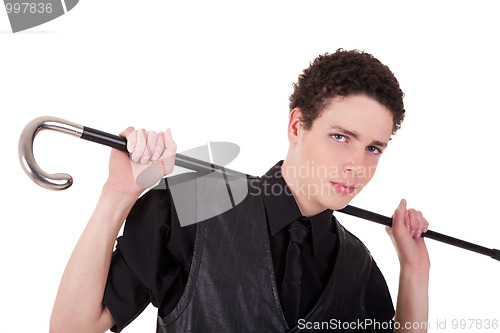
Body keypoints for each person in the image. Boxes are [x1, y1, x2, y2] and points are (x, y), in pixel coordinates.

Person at [50, 49, 430, 333]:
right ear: (297, 126)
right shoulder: (192, 205)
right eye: (340, 137)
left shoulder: (358, 267)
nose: (356, 165)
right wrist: (118, 192)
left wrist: (415, 272)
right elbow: (72, 327)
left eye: (373, 148)